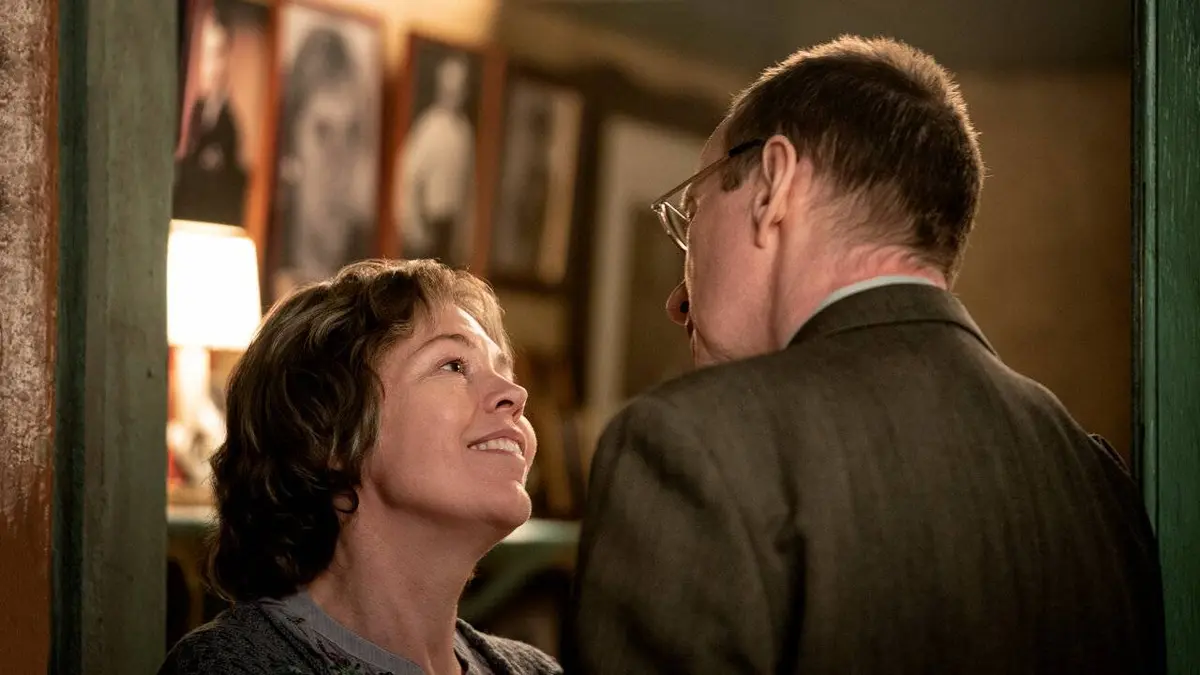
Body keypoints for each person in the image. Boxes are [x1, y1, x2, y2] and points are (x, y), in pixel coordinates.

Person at [564, 36, 1165, 675]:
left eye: (693, 211)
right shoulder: (1100, 485)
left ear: (774, 188)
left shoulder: (689, 448)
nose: (677, 301)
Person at [159, 259, 561, 675]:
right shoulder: (232, 666)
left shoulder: (536, 671)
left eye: (505, 371)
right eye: (454, 365)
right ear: (328, 433)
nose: (516, 393)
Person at [272, 26, 374, 302]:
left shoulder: (376, 282)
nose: (339, 163)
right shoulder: (268, 250)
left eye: (351, 133)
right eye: (323, 133)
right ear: (292, 147)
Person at [173, 0, 248, 226]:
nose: (211, 65)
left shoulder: (230, 126)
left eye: (217, 54)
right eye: (206, 54)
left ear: (228, 57)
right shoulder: (195, 111)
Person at [396, 54, 476, 265]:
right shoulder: (428, 127)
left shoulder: (464, 131)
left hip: (450, 230)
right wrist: (415, 228)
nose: (454, 92)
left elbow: (468, 189)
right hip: (428, 225)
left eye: (459, 86)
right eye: (450, 85)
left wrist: (464, 238)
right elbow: (407, 179)